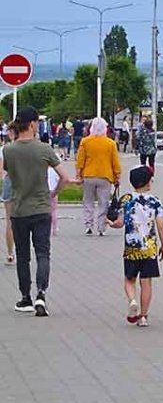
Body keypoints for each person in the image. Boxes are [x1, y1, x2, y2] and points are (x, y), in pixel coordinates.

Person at [0, 108, 70, 317]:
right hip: (41, 208)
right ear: (32, 124)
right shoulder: (44, 149)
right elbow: (64, 177)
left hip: (19, 209)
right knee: (43, 253)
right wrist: (53, 193)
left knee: (23, 256)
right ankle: (41, 293)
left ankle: (25, 298)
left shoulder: (8, 150)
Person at [108, 166, 163, 328]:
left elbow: (120, 223)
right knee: (146, 282)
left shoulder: (127, 199)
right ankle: (143, 316)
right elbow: (160, 225)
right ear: (148, 182)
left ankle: (132, 300)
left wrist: (112, 224)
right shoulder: (155, 201)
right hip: (149, 248)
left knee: (129, 279)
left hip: (131, 247)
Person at [75, 117, 122, 237]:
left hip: (88, 175)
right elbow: (115, 162)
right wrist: (117, 176)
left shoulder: (85, 142)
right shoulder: (110, 143)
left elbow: (80, 160)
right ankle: (101, 228)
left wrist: (78, 175)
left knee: (88, 201)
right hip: (105, 176)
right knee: (103, 203)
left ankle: (88, 226)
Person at [2, 123, 18, 266]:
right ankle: (20, 250)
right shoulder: (27, 148)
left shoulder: (5, 149)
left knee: (9, 220)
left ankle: (10, 252)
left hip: (9, 182)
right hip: (25, 185)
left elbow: (2, 171)